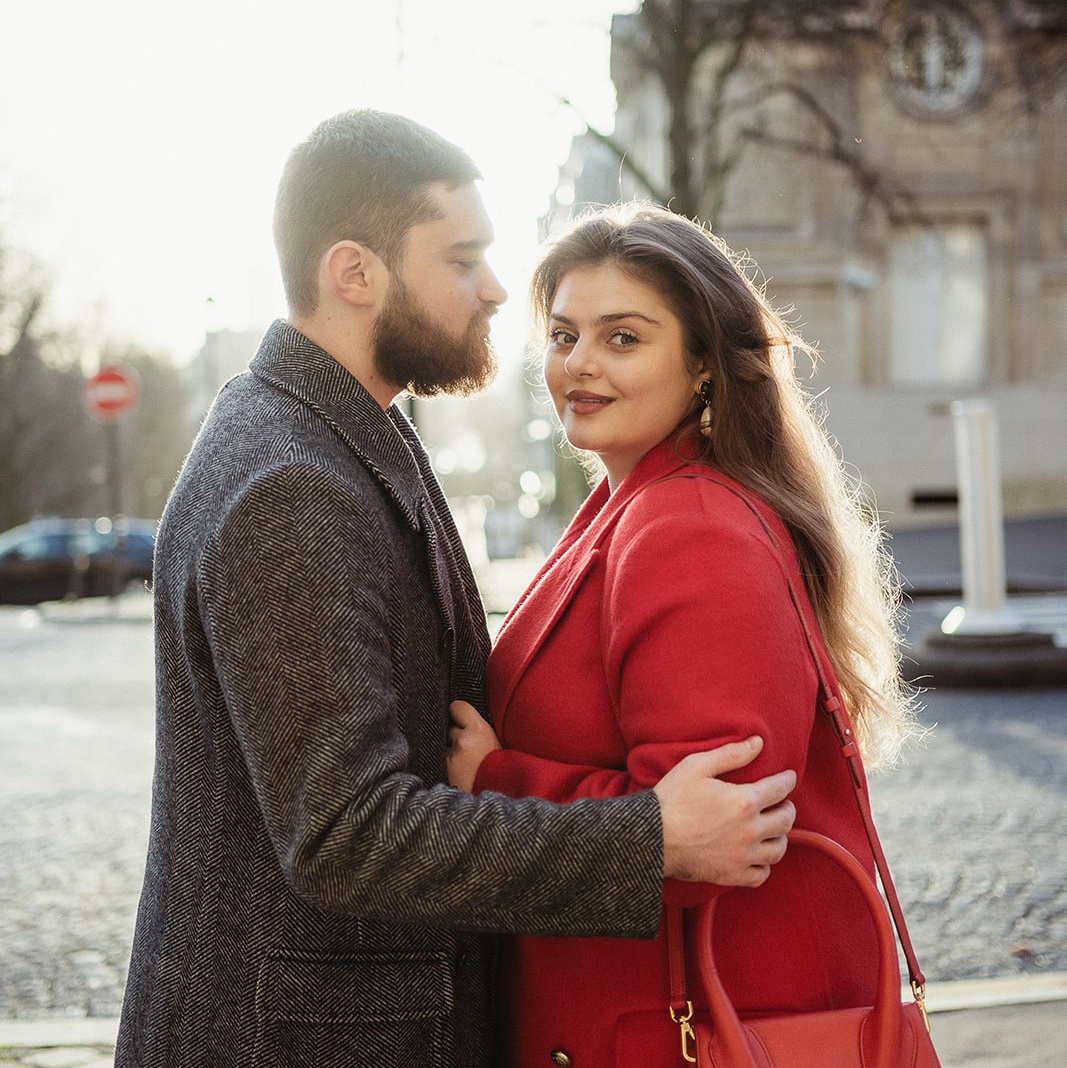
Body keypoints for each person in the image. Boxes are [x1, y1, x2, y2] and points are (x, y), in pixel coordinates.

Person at [114, 113, 800, 1068]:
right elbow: (346, 833)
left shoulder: (347, 435)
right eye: (462, 260)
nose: (494, 290)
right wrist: (646, 841)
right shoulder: (290, 484)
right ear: (355, 273)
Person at [446, 203, 919, 1068]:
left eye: (622, 338)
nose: (578, 363)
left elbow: (718, 827)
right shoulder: (632, 505)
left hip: (696, 1030)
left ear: (702, 364)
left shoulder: (689, 527)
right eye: (563, 336)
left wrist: (493, 779)